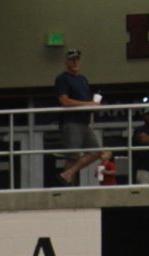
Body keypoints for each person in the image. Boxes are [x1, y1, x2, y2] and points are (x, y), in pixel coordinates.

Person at [55, 49, 104, 185]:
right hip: (71, 122)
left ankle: (69, 174)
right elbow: (64, 101)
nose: (75, 62)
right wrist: (88, 104)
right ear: (66, 62)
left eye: (77, 59)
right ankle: (69, 189)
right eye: (72, 59)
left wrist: (93, 105)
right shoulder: (63, 79)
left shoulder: (83, 79)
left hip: (84, 122)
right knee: (72, 157)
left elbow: (87, 101)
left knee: (95, 151)